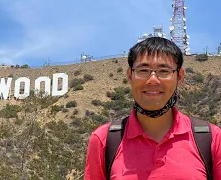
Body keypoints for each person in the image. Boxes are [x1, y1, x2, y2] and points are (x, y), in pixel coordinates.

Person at [84, 37, 221, 179]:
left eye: (163, 71)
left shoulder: (212, 139)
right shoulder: (104, 140)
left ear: (179, 77)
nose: (153, 80)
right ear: (130, 76)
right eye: (143, 70)